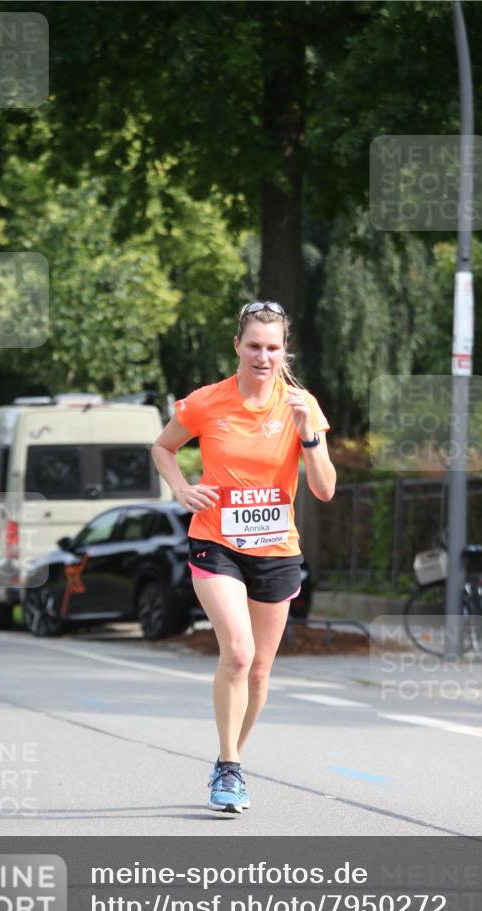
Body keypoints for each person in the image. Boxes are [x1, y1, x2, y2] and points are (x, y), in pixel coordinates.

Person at [151, 301, 336, 815]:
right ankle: (230, 771)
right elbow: (163, 448)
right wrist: (183, 488)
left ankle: (227, 760)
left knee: (259, 672)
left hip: (277, 550)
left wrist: (309, 435)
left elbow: (323, 490)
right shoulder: (206, 403)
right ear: (237, 346)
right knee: (236, 651)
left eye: (273, 347)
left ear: (284, 351)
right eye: (254, 345)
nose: (263, 356)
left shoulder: (302, 405)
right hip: (217, 543)